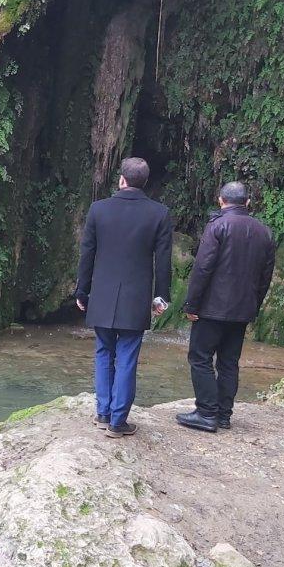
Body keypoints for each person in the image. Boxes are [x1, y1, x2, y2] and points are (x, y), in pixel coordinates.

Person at [76, 157, 174, 438]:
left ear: (121, 179)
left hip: (103, 296)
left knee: (103, 353)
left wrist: (82, 290)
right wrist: (161, 297)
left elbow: (87, 254)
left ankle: (103, 413)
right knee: (128, 358)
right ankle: (119, 422)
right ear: (145, 182)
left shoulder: (99, 209)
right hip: (136, 298)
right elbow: (163, 261)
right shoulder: (159, 213)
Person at [175, 182, 275, 433]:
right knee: (229, 362)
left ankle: (207, 413)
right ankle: (223, 415)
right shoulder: (264, 232)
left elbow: (203, 267)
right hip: (242, 309)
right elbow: (266, 276)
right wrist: (255, 305)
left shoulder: (217, 226)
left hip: (212, 307)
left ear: (220, 201)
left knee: (200, 358)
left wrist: (192, 304)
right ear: (247, 203)